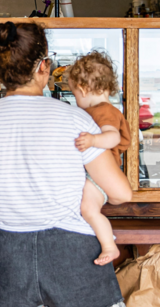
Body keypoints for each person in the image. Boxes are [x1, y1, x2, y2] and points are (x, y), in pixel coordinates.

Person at [0, 21, 131, 307]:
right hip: (73, 259)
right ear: (43, 67)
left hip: (7, 262)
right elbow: (121, 194)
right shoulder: (74, 120)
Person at [67, 50, 131, 266]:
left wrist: (94, 141)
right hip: (95, 175)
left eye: (75, 94)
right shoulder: (101, 109)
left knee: (88, 209)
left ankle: (109, 246)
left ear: (84, 89)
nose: (76, 101)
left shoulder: (104, 111)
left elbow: (112, 137)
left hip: (99, 178)